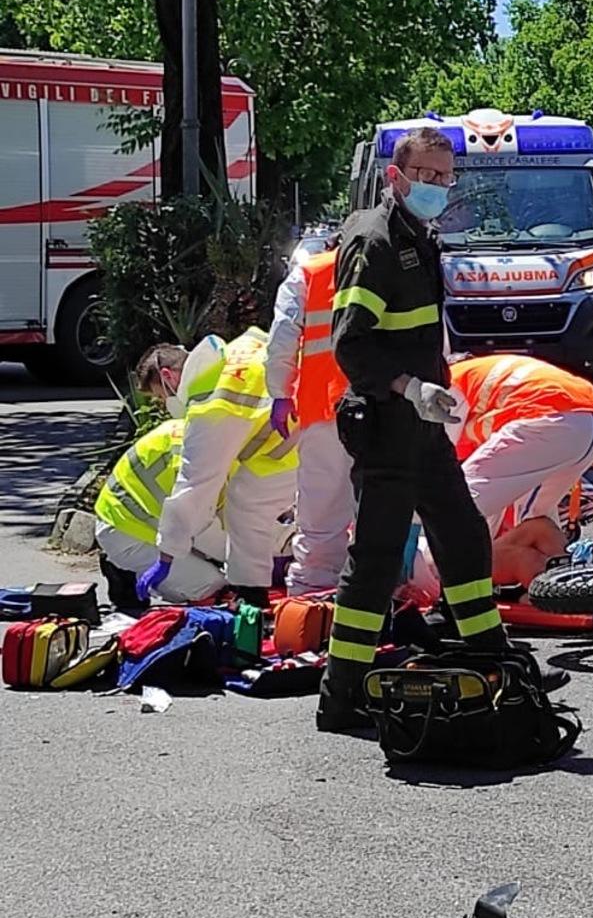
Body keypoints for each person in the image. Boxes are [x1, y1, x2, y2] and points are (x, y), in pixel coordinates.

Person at [317, 125, 509, 733]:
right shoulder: (374, 240)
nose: (433, 185)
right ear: (394, 177)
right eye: (422, 175)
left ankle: (487, 657)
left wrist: (436, 386)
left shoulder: (416, 235)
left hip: (419, 422)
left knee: (462, 531)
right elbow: (350, 345)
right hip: (386, 419)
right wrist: (409, 387)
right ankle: (341, 695)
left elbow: (417, 331)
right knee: (376, 559)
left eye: (442, 175)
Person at [135, 327, 299, 606]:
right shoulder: (244, 345)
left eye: (161, 398)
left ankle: (252, 599)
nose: (166, 406)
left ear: (168, 377)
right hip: (320, 422)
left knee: (244, 507)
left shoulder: (209, 403)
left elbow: (195, 486)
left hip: (292, 450)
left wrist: (166, 556)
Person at [265, 239, 355, 592]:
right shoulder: (385, 265)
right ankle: (379, 596)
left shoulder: (308, 273)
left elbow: (282, 339)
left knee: (321, 515)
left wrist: (280, 393)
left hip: (324, 408)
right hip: (384, 403)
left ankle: (311, 599)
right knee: (380, 506)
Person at [448, 353, 593, 536]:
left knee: (457, 502)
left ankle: (438, 563)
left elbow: (436, 455)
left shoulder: (451, 379)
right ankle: (551, 562)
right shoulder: (487, 375)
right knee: (534, 519)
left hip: (547, 422)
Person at [94, 418, 228, 611]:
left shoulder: (199, 431)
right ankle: (129, 571)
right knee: (210, 585)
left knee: (230, 560)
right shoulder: (204, 460)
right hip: (125, 532)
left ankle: (139, 567)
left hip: (137, 518)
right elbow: (195, 521)